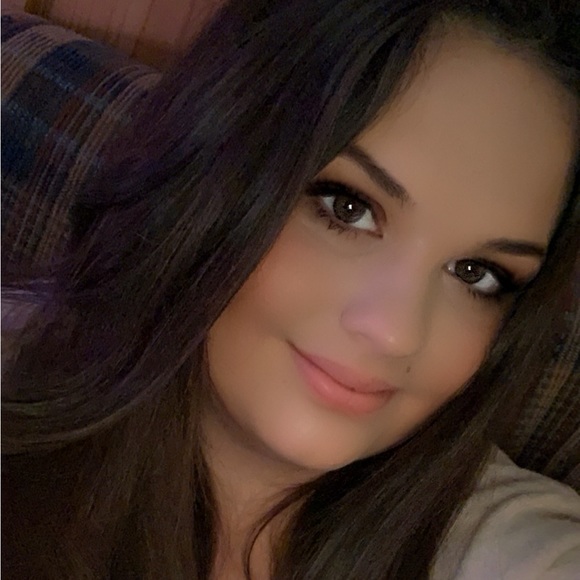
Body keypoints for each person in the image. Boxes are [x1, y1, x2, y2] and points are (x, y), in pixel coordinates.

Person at [2, 0, 580, 578]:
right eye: (347, 208)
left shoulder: (512, 550)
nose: (395, 333)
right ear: (214, 170)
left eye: (476, 274)